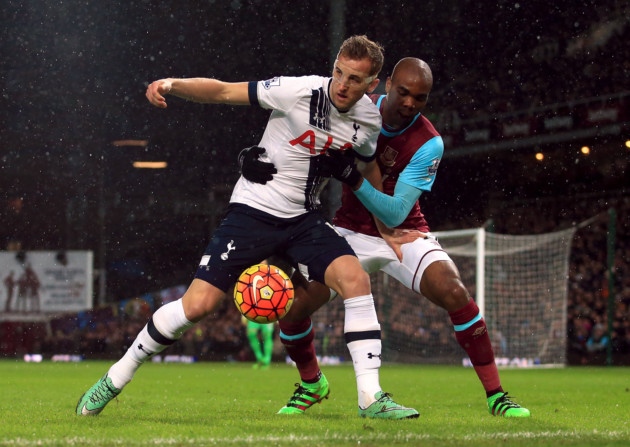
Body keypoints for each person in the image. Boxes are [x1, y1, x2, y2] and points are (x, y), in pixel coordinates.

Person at [75, 35, 418, 420]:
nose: (342, 84)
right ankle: (114, 377)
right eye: (339, 72)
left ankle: (371, 398)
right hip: (252, 213)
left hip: (304, 219)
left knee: (355, 279)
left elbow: (368, 167)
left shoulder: (368, 119)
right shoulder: (297, 91)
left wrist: (384, 224)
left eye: (355, 79)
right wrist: (172, 84)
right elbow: (222, 92)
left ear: (372, 85)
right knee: (197, 306)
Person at [240, 57, 531, 418]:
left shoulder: (429, 142)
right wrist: (256, 160)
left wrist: (352, 176)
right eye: (404, 92)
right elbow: (303, 139)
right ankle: (312, 383)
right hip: (347, 232)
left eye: (420, 98)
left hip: (403, 235)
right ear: (387, 84)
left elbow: (393, 213)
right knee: (292, 307)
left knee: (455, 292)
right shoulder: (356, 109)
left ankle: (496, 395)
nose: (409, 103)